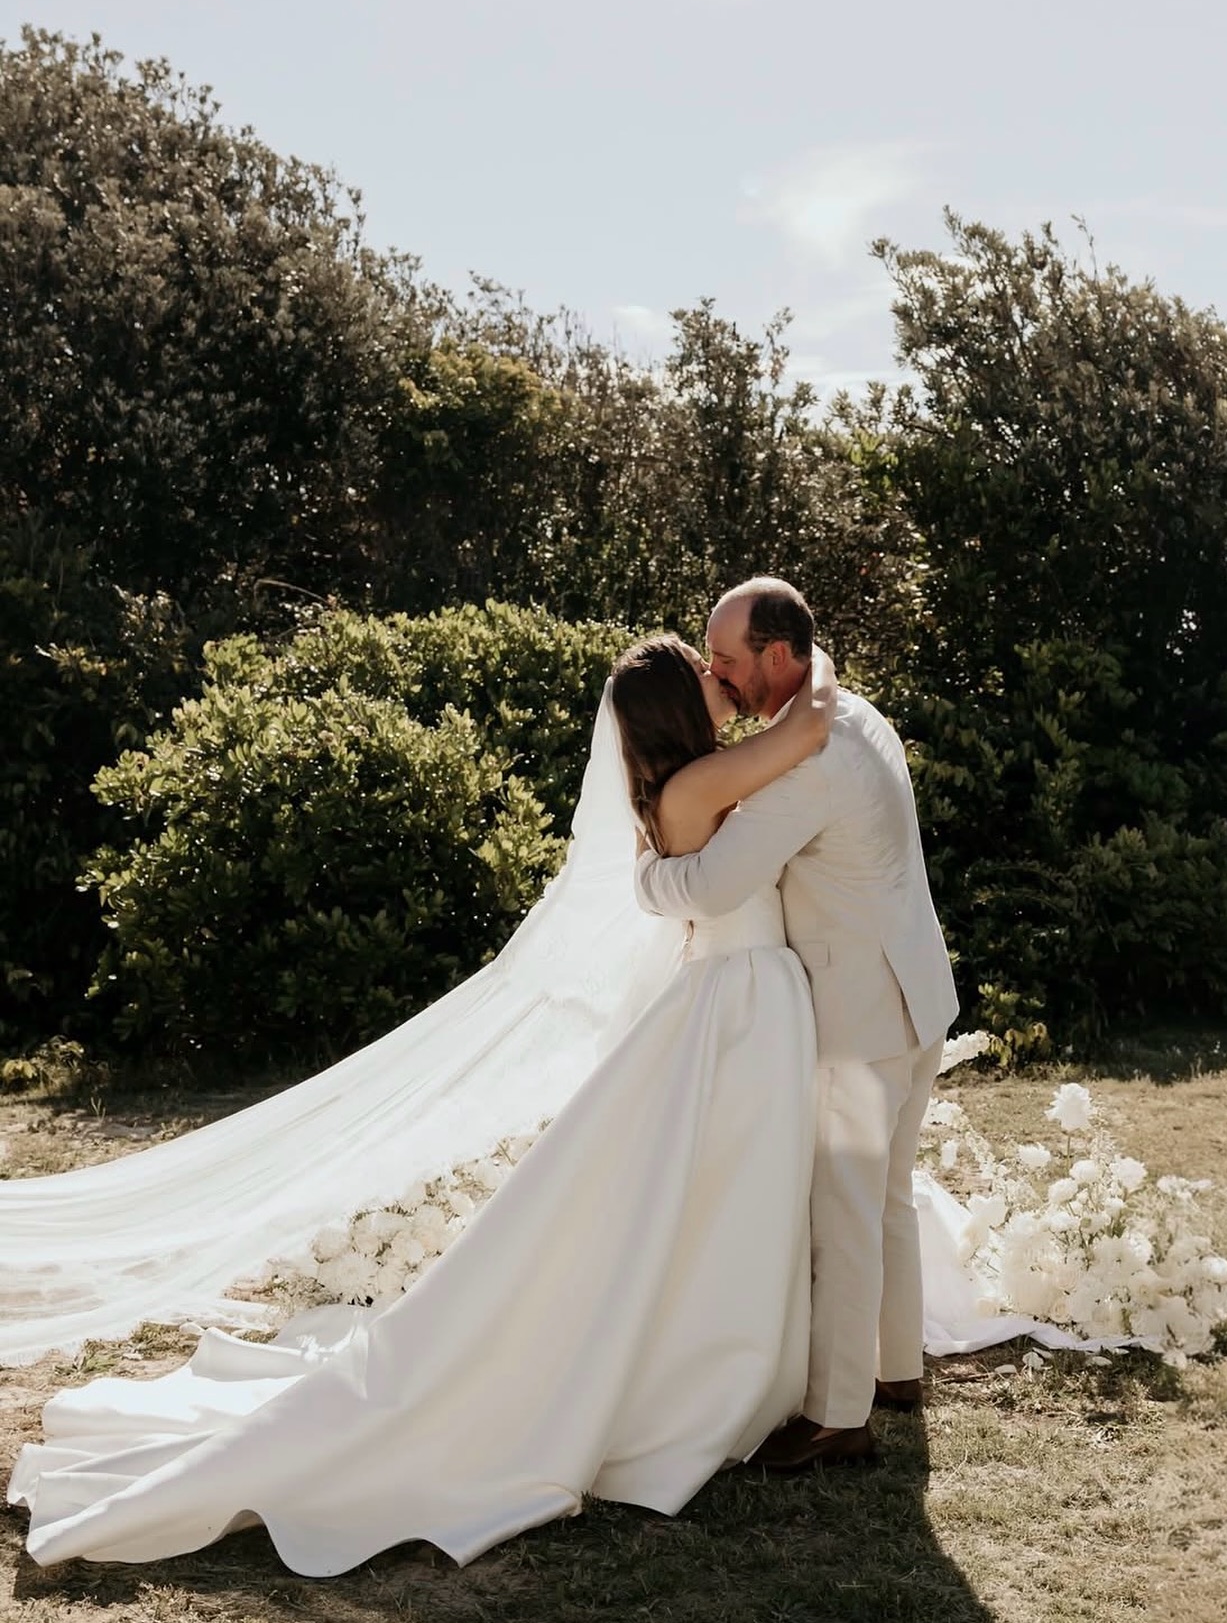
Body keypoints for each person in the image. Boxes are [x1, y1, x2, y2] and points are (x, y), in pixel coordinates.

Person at [9, 637, 838, 1574]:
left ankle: (722, 1363)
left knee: (713, 1200)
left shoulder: (694, 780)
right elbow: (812, 725)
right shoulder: (701, 785)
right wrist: (808, 647)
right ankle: (700, 1380)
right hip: (733, 1007)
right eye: (703, 668)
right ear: (674, 710)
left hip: (744, 1005)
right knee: (699, 1198)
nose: (718, 674)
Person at [634, 579, 958, 1473]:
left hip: (862, 1016)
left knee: (846, 1212)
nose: (720, 676)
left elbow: (711, 886)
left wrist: (643, 881)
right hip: (917, 994)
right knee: (887, 1196)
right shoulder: (859, 715)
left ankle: (837, 1416)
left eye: (729, 659)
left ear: (781, 655)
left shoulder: (804, 770)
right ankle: (895, 1369)